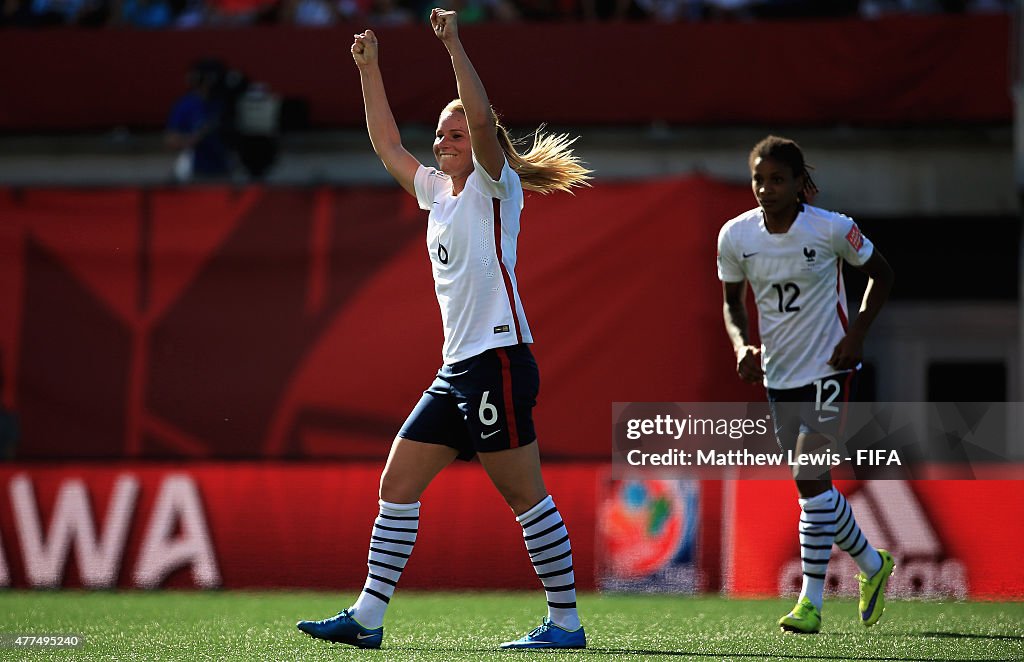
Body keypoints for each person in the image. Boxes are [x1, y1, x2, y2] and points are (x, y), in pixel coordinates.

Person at [296, 8, 591, 650]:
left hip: (498, 359)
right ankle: (367, 618)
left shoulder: (493, 184)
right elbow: (386, 145)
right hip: (457, 369)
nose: (443, 141)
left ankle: (567, 623)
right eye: (439, 134)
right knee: (397, 484)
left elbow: (482, 122)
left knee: (525, 496)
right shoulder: (438, 192)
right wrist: (370, 69)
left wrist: (454, 43)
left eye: (454, 133)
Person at [717, 136, 897, 634]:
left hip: (829, 367)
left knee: (808, 476)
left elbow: (882, 275)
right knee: (814, 488)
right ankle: (873, 564)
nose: (766, 189)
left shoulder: (832, 228)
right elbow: (731, 304)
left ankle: (809, 601)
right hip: (779, 374)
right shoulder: (735, 236)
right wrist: (741, 346)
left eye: (778, 179)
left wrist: (856, 335)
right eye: (759, 179)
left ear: (800, 183)